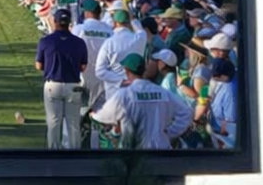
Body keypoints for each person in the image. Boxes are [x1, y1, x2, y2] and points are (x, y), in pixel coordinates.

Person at [90, 53, 193, 150]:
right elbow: (187, 112)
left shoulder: (125, 95)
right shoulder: (162, 92)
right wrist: (171, 132)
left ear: (126, 70)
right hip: (161, 150)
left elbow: (104, 116)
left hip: (135, 151)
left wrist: (93, 115)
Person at [34, 8, 90, 150]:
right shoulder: (79, 42)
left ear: (55, 21)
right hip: (74, 86)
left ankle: (54, 155)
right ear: (69, 23)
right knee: (74, 123)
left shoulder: (46, 41)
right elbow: (83, 66)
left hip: (53, 85)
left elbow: (39, 65)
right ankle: (75, 155)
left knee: (54, 123)